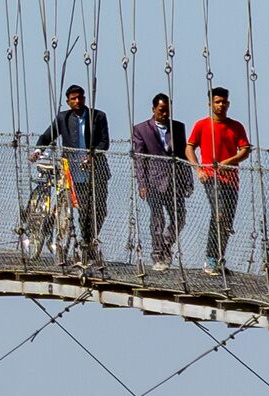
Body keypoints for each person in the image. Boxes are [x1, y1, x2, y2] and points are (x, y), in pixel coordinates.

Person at [35, 84, 112, 260]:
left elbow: (104, 142)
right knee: (85, 211)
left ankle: (89, 240)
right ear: (68, 102)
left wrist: (92, 155)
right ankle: (86, 246)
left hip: (97, 172)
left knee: (100, 210)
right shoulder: (63, 118)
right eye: (74, 98)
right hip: (74, 175)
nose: (78, 101)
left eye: (80, 97)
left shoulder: (98, 116)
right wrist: (38, 151)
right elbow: (47, 137)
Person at [189, 85, 252, 272]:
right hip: (210, 176)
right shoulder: (201, 125)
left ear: (229, 103)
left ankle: (218, 257)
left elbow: (245, 150)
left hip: (231, 180)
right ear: (210, 104)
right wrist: (198, 169)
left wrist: (229, 162)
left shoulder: (236, 126)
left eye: (224, 102)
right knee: (219, 213)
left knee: (227, 221)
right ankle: (210, 257)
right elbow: (189, 147)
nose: (221, 105)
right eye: (217, 102)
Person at [128, 92, 190, 267]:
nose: (165, 114)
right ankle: (157, 255)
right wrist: (142, 183)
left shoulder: (178, 127)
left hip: (174, 181)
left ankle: (165, 245)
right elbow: (139, 158)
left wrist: (187, 180)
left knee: (180, 217)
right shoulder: (141, 129)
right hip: (153, 181)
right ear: (154, 109)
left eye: (167, 111)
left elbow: (183, 156)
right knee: (157, 219)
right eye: (161, 110)